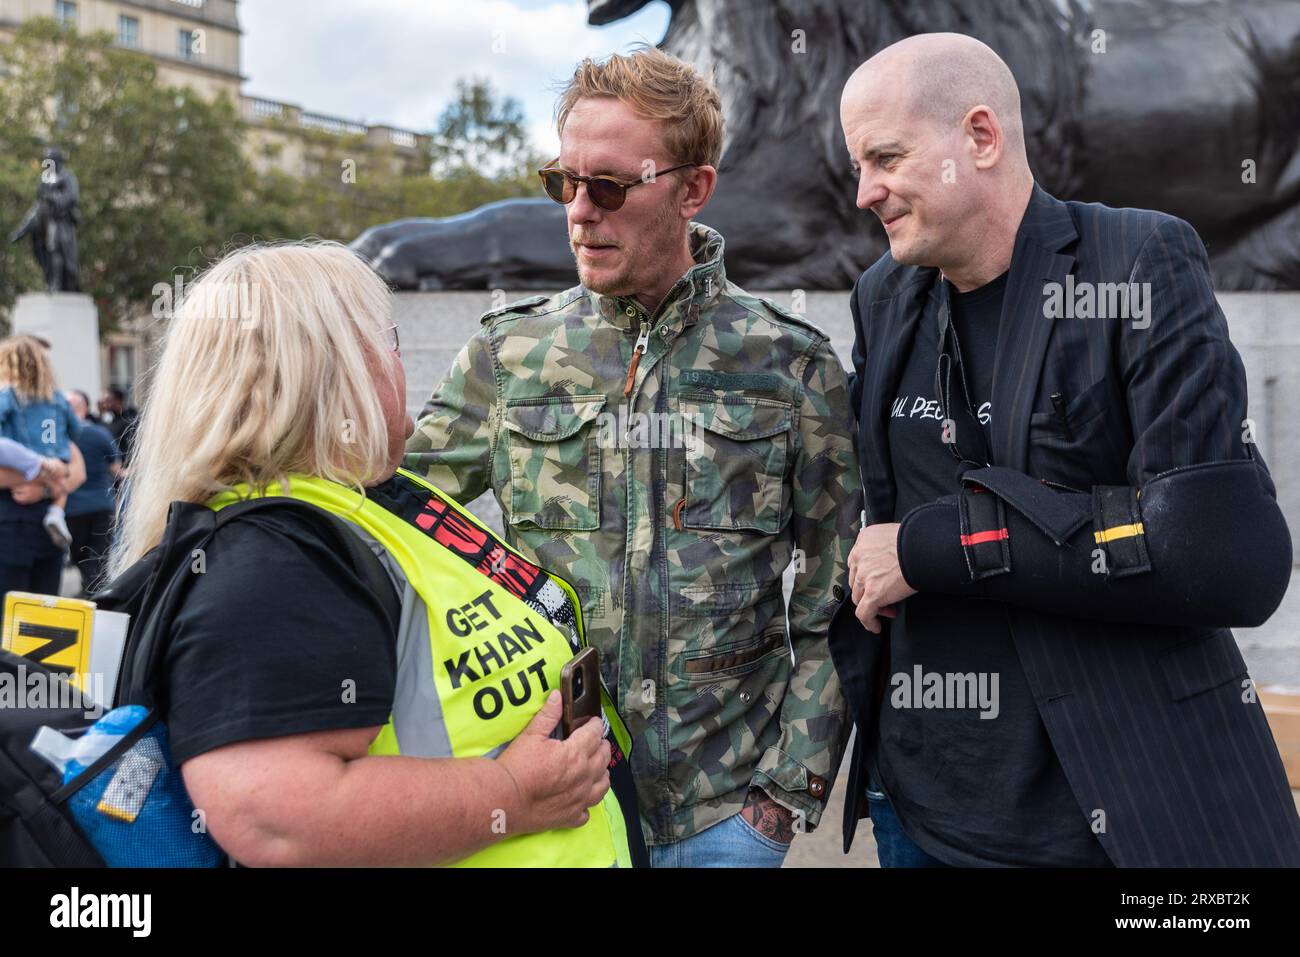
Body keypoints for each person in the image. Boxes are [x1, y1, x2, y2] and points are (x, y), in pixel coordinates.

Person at [834, 32, 1300, 866]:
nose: (865, 191)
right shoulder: (883, 295)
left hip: (1121, 811)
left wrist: (929, 546)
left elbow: (1221, 556)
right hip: (918, 813)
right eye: (857, 166)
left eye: (886, 157)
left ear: (981, 137)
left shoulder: (1137, 260)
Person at [405, 46, 861, 867]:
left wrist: (785, 793)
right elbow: (391, 515)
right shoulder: (511, 356)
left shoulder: (792, 364)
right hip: (561, 811)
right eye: (564, 183)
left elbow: (836, 597)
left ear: (692, 188)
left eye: (610, 186)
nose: (580, 211)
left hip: (724, 821)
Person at [106, 241, 638, 867]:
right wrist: (514, 794)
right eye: (387, 339)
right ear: (334, 369)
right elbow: (277, 817)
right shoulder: (272, 558)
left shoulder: (363, 501)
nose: (399, 360)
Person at [0, 335, 83, 557]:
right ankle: (57, 512)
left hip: (10, 512)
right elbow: (74, 468)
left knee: (12, 591)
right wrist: (48, 484)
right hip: (47, 509)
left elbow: (78, 472)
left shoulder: (8, 396)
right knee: (43, 591)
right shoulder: (57, 399)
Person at [64, 389, 121, 596]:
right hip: (102, 505)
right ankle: (96, 593)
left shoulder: (59, 436)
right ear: (85, 408)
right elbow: (116, 468)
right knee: (99, 554)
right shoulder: (100, 433)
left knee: (79, 554)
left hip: (73, 507)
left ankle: (91, 592)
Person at [97, 385, 138, 467]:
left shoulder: (131, 418)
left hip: (126, 466)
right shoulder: (110, 418)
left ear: (117, 401)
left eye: (107, 400)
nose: (104, 404)